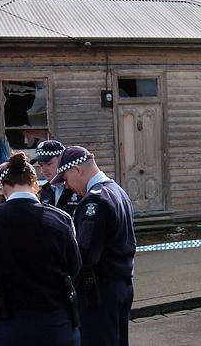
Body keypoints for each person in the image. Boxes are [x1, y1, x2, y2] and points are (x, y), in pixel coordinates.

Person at [0, 152, 82, 346]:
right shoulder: (60, 219)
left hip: (6, 323)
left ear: (3, 188)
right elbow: (74, 265)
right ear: (36, 186)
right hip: (53, 321)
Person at [51, 146, 136, 346]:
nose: (68, 186)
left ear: (77, 170)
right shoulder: (117, 190)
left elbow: (84, 255)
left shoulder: (94, 201)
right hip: (121, 284)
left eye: (65, 179)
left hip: (99, 290)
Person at [30, 139, 80, 216]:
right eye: (41, 165)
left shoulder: (79, 188)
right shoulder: (44, 191)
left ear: (63, 160)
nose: (43, 170)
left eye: (48, 164)